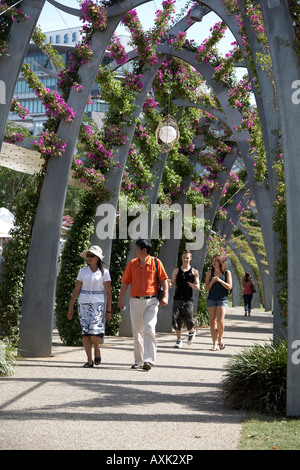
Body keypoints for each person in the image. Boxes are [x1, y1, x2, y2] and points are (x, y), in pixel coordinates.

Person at [118, 239, 168, 371]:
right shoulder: (132, 264)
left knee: (149, 328)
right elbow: (125, 283)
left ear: (144, 250)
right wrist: (121, 299)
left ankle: (148, 360)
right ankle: (138, 360)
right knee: (137, 332)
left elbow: (164, 281)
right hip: (135, 301)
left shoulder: (156, 262)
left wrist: (166, 296)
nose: (134, 251)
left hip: (151, 301)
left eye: (136, 248)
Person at [67, 245, 112, 368]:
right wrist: (71, 307)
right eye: (88, 255)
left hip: (97, 304)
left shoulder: (105, 273)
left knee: (94, 332)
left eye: (92, 256)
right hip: (83, 304)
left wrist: (109, 310)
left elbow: (108, 292)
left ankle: (97, 348)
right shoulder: (82, 271)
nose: (89, 258)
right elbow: (76, 289)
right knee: (85, 332)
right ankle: (89, 360)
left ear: (97, 258)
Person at [168, 250, 200, 348]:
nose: (185, 259)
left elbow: (198, 286)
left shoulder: (194, 271)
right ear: (181, 258)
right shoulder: (176, 271)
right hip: (178, 298)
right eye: (184, 258)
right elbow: (171, 284)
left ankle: (192, 331)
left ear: (190, 258)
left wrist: (194, 286)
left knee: (189, 321)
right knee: (175, 319)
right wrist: (168, 282)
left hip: (188, 300)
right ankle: (179, 340)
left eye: (187, 258)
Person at [205, 255, 232, 351]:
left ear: (220, 262)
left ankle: (220, 339)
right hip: (212, 298)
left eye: (216, 261)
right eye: (213, 261)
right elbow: (206, 288)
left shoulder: (226, 273)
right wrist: (212, 281)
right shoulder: (209, 273)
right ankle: (214, 343)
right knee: (213, 321)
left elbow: (229, 287)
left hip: (222, 299)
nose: (214, 263)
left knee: (220, 321)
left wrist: (220, 280)